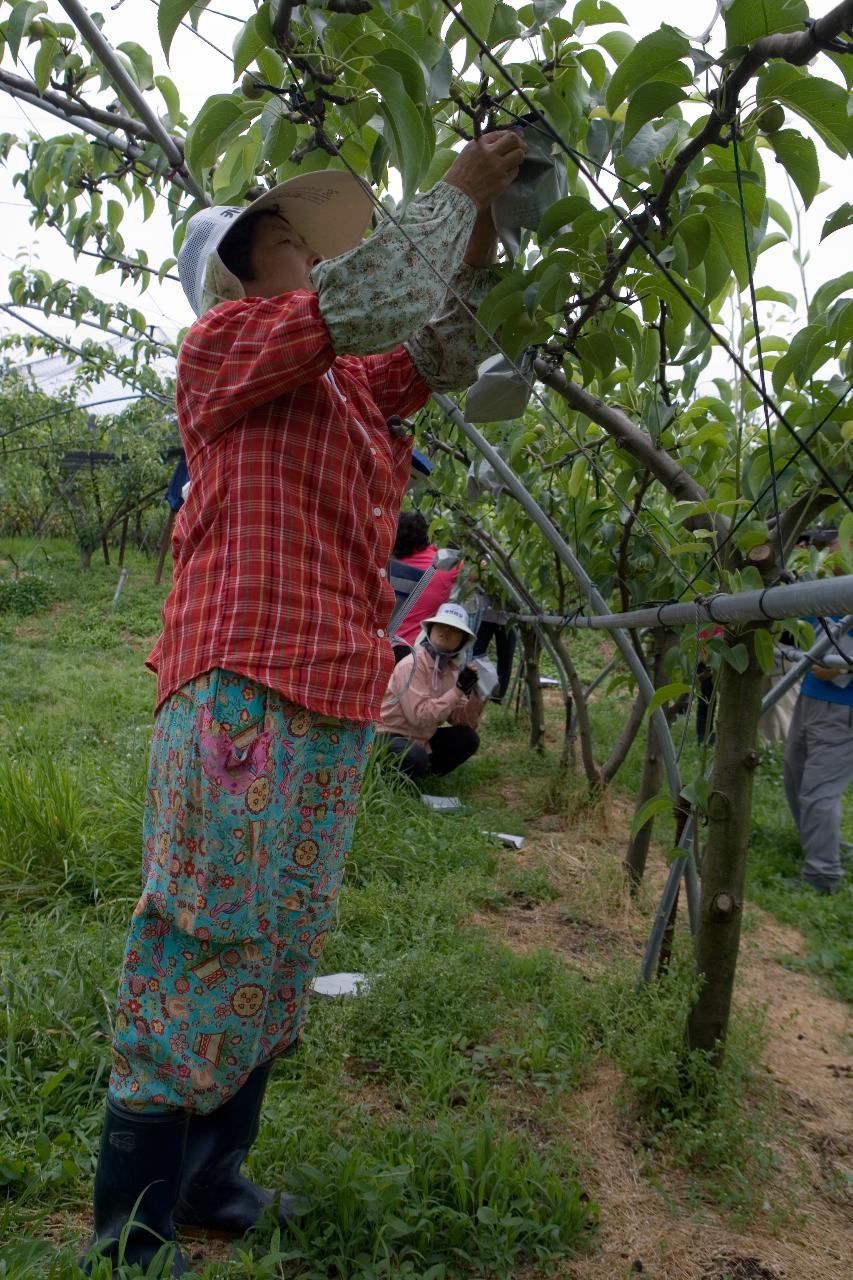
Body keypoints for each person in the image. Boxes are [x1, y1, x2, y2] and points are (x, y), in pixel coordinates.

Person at [87, 130, 527, 1274]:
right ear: (235, 269)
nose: (315, 255)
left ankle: (210, 1177)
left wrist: (473, 250)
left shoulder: (343, 390)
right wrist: (454, 192)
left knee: (281, 934)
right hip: (241, 680)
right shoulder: (224, 349)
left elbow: (437, 345)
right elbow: (375, 301)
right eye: (289, 238)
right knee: (203, 928)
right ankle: (127, 1228)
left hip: (330, 694)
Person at [783, 612, 853, 894]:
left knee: (819, 791)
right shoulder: (818, 577)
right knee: (794, 773)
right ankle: (827, 844)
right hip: (810, 695)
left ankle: (822, 875)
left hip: (843, 706)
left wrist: (843, 668)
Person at [379, 602, 482, 779]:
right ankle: (391, 773)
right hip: (388, 737)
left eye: (455, 630)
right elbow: (419, 716)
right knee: (414, 758)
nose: (447, 632)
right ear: (431, 629)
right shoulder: (413, 664)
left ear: (462, 641)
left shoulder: (452, 672)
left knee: (468, 738)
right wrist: (457, 691)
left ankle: (422, 775)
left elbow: (462, 721)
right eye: (442, 625)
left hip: (419, 740)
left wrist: (478, 695)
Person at [389, 510, 462, 651]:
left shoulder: (386, 564)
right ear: (425, 534)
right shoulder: (447, 566)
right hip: (418, 649)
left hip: (383, 644)